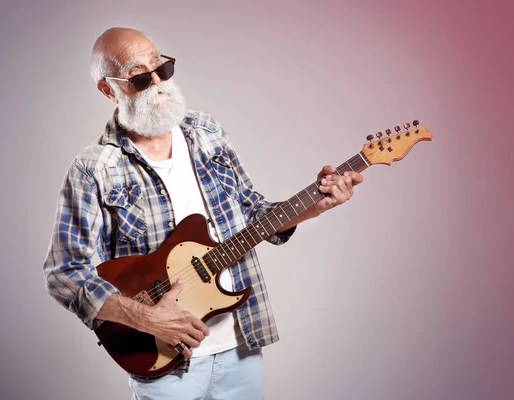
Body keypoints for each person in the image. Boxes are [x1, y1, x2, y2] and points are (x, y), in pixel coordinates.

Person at [43, 27, 364, 399]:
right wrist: (147, 318)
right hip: (165, 365)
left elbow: (251, 210)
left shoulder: (207, 132)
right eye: (139, 76)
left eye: (161, 68)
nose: (156, 82)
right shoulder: (94, 168)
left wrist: (314, 206)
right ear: (107, 89)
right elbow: (64, 272)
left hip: (241, 347)